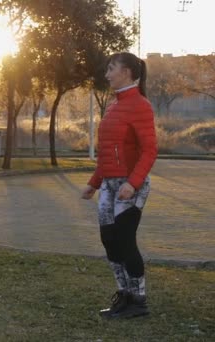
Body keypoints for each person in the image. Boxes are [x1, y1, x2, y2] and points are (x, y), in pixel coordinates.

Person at [81, 52, 158, 319]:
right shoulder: (114, 105)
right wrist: (94, 183)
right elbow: (107, 152)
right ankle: (124, 295)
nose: (107, 74)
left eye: (111, 69)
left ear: (125, 71)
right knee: (109, 241)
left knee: (125, 242)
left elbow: (150, 150)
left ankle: (139, 301)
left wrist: (133, 183)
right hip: (109, 185)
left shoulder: (140, 105)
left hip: (129, 186)